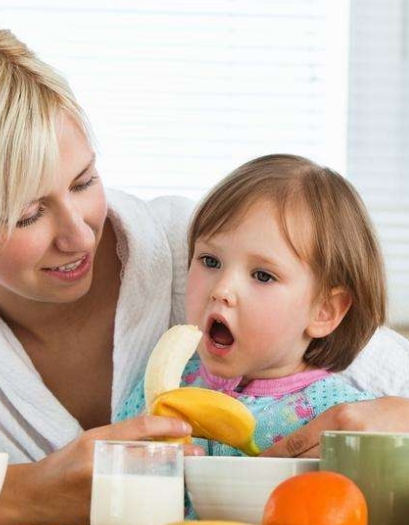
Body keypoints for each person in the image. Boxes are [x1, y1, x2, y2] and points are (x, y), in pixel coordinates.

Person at [0, 18, 409, 525]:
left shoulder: (201, 250)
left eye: (84, 181)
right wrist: (23, 496)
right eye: (27, 214)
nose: (77, 231)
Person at [118, 154, 393, 456]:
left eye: (263, 275)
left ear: (324, 311)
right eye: (210, 261)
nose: (222, 290)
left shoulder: (340, 418)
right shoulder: (154, 393)